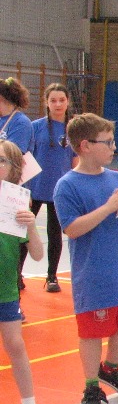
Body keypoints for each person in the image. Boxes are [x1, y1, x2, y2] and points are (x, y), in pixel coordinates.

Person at [53, 113, 118, 404]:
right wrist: (108, 207)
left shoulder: (117, 179)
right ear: (86, 145)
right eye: (107, 142)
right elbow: (72, 228)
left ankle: (110, 368)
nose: (113, 147)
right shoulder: (67, 185)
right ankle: (91, 385)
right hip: (93, 270)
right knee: (92, 330)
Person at [0, 142, 50, 404]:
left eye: (2, 161)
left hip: (5, 288)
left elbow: (38, 254)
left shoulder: (16, 204)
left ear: (14, 168)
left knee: (16, 345)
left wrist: (30, 225)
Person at [20, 83, 76, 293]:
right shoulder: (35, 127)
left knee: (55, 235)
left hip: (58, 191)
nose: (58, 104)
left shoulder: (73, 129)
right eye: (53, 100)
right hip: (33, 189)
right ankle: (16, 274)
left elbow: (75, 161)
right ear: (46, 102)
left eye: (62, 100)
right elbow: (25, 158)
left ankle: (52, 276)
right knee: (23, 233)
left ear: (68, 102)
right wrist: (24, 189)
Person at [1, 76, 35, 291]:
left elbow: (14, 156)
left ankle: (15, 276)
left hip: (12, 189)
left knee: (13, 238)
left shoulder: (20, 122)